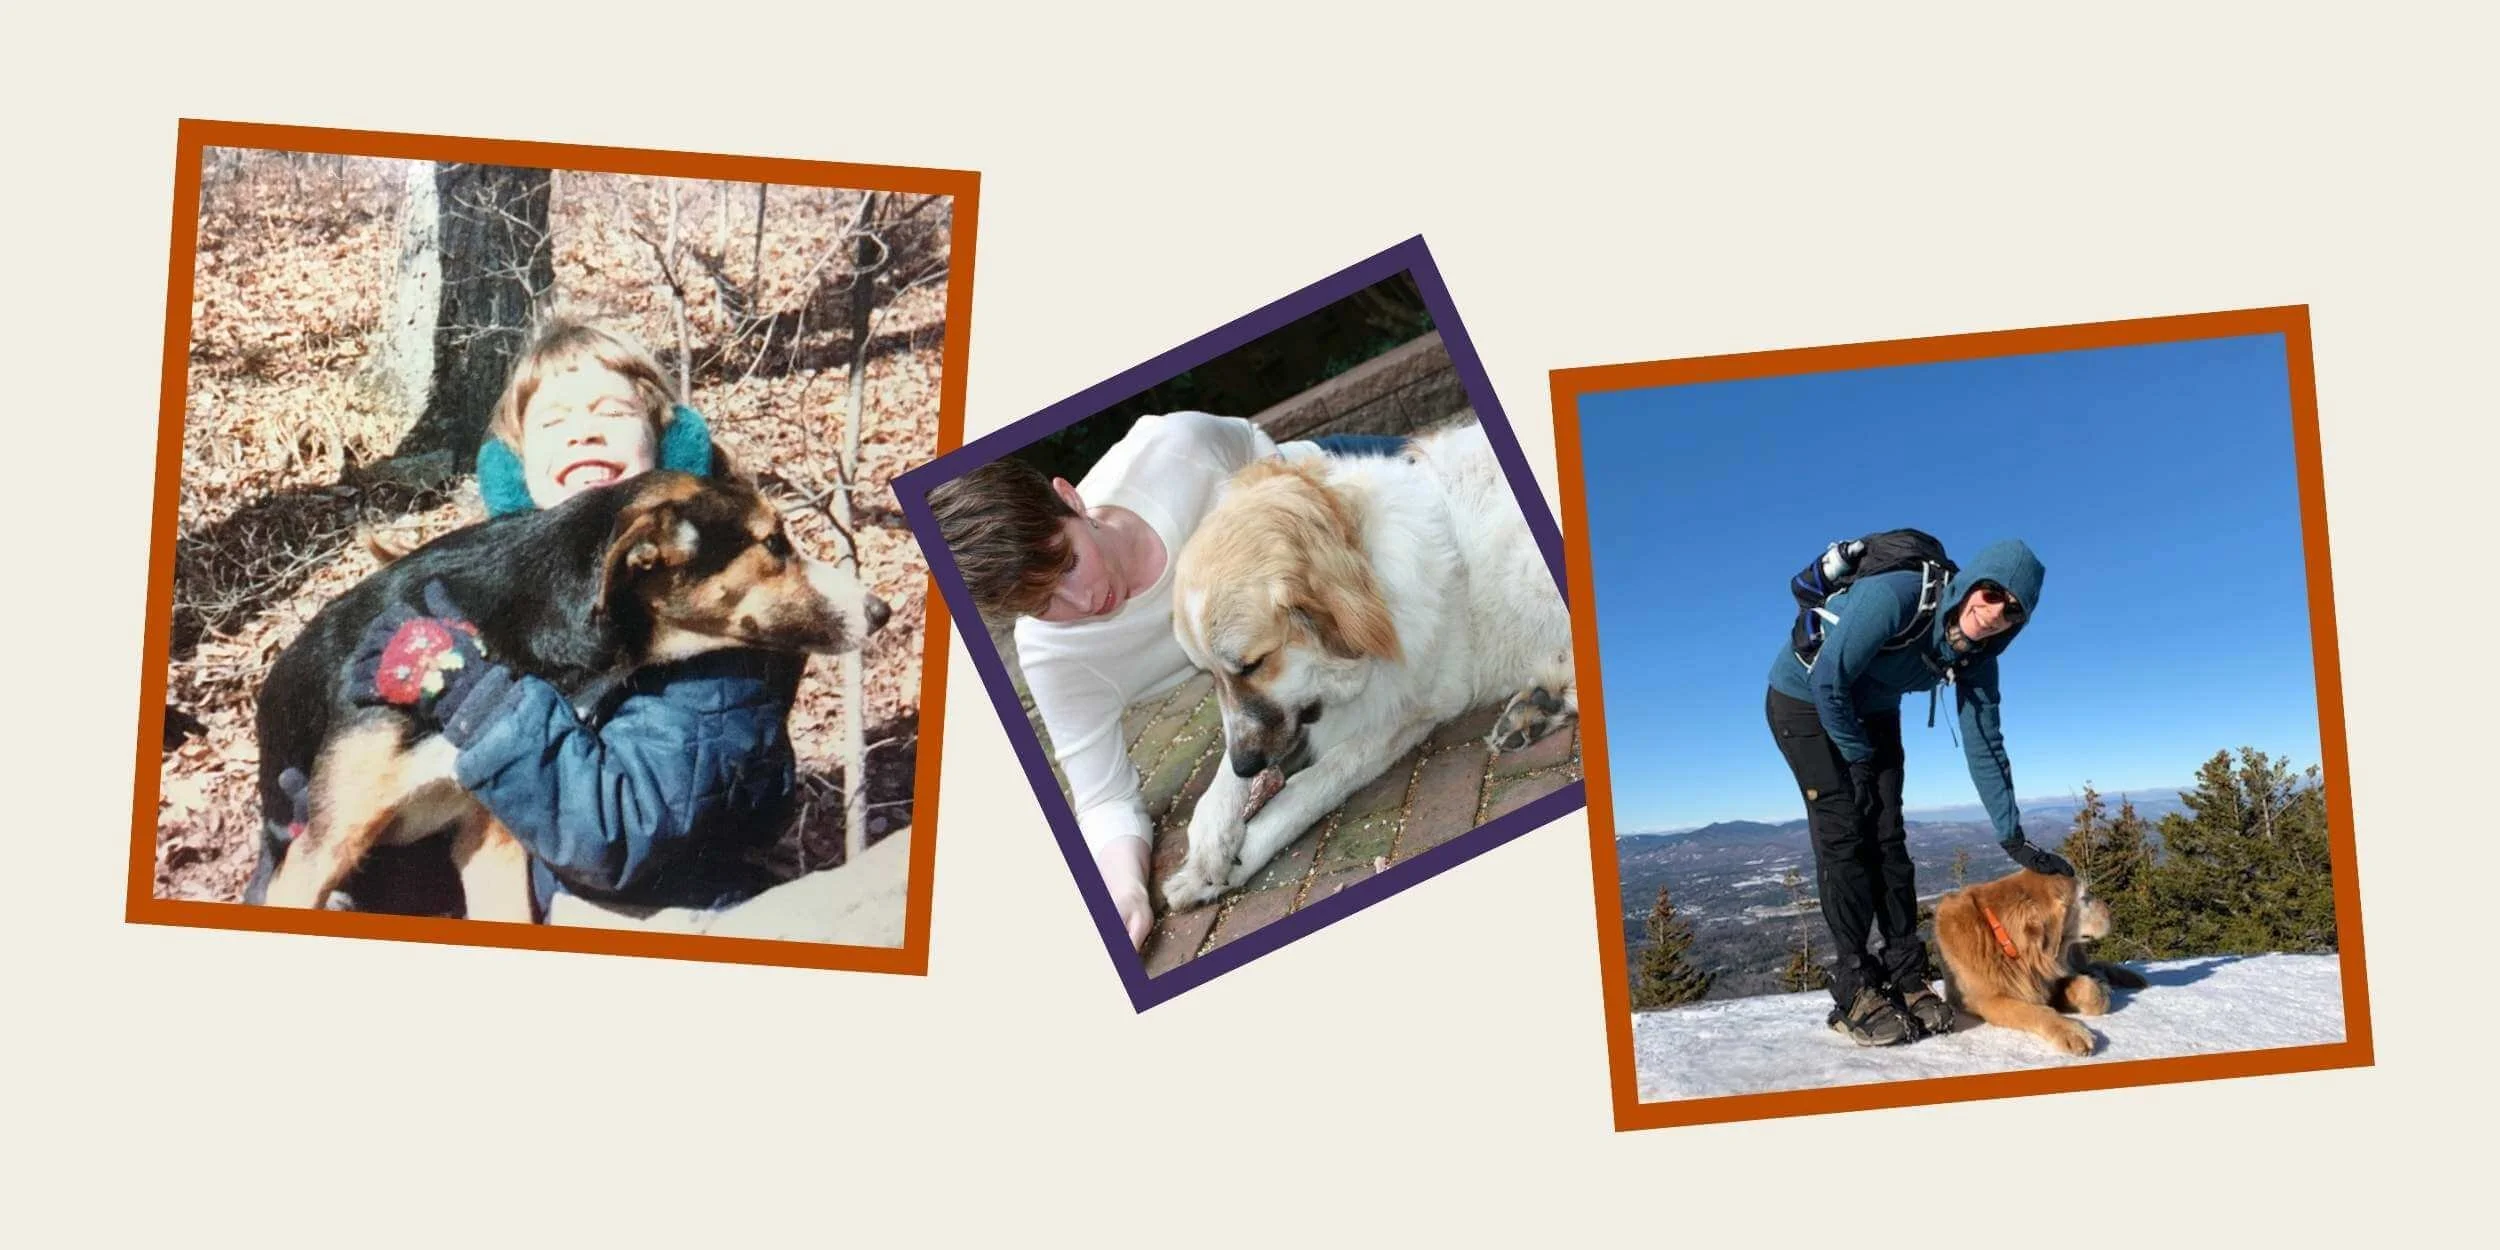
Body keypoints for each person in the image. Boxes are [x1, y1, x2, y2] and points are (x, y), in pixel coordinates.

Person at [333, 316, 804, 919]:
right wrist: (353, 821)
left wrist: (484, 710)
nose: (582, 434)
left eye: (610, 412)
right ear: (514, 470)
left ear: (671, 448)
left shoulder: (721, 618)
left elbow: (622, 833)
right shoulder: (484, 603)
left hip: (663, 918)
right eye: (553, 423)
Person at [928, 414, 1403, 948]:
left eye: (1066, 566)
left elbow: (1278, 483)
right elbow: (1105, 799)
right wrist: (1126, 890)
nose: (1081, 603)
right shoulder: (1052, 656)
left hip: (1329, 488)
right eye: (1043, 604)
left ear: (1072, 499)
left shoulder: (1176, 447)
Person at [1764, 538, 2066, 1046]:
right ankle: (1854, 988)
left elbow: (1986, 744)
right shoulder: (1900, 596)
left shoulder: (1978, 658)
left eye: (2013, 610)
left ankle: (1905, 972)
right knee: (1844, 836)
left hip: (1872, 708)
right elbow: (1829, 682)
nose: (1994, 613)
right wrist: (1857, 756)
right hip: (1806, 699)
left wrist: (2012, 835)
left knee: (1888, 836)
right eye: (1992, 593)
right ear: (1972, 583)